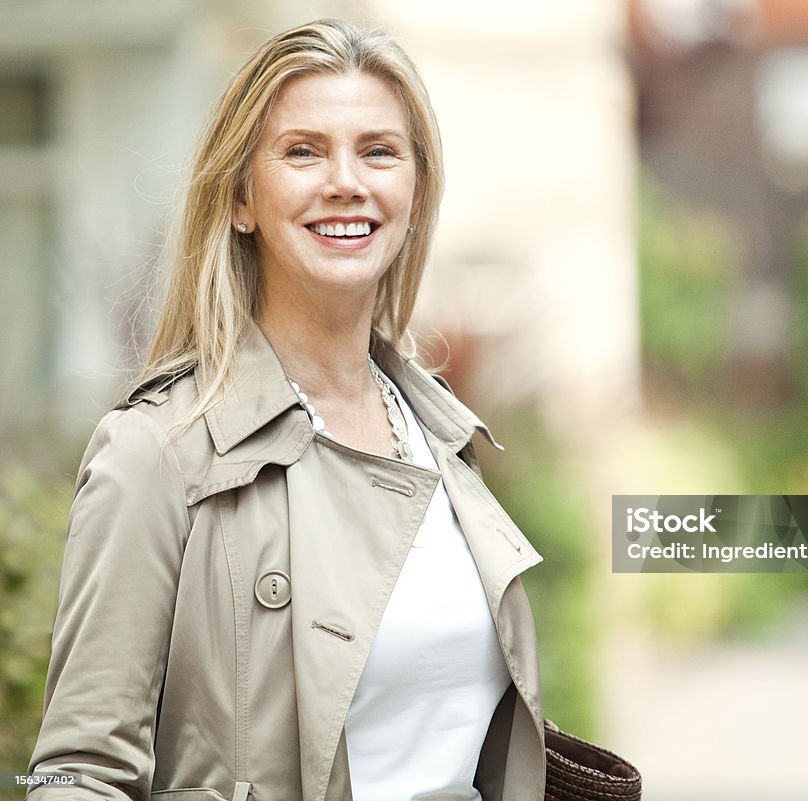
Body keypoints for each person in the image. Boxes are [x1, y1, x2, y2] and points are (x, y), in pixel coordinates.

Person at [27, 20, 545, 801]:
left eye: (379, 151)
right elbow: (79, 773)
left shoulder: (444, 441)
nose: (346, 181)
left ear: (414, 195)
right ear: (241, 198)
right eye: (303, 151)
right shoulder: (158, 452)